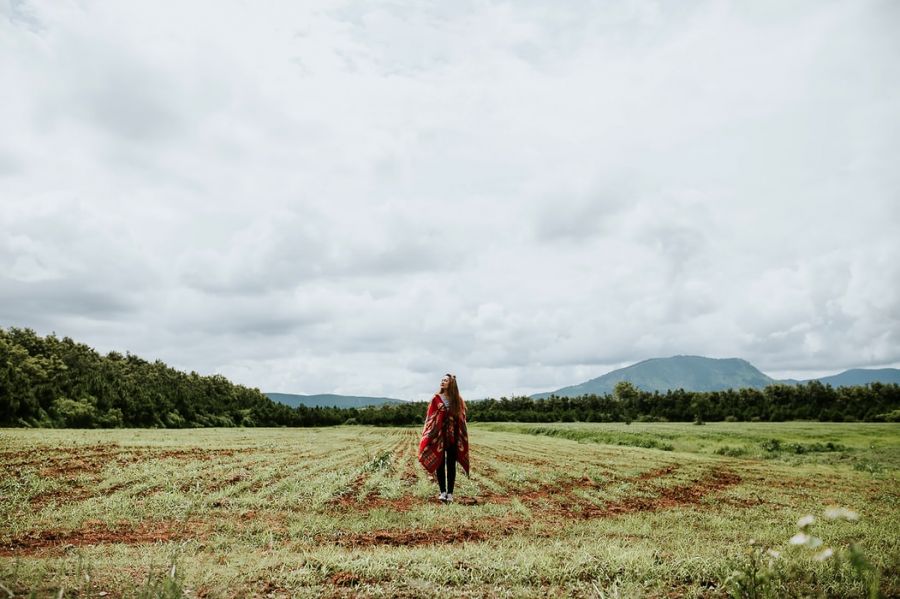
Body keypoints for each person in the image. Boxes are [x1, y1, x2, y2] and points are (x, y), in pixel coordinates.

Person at [417, 373, 470, 503]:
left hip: (452, 437)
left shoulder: (457, 400)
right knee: (440, 463)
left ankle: (450, 493)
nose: (442, 382)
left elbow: (461, 419)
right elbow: (430, 418)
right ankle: (442, 492)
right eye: (442, 380)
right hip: (438, 437)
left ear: (451, 383)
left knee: (451, 464)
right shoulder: (436, 399)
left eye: (445, 380)